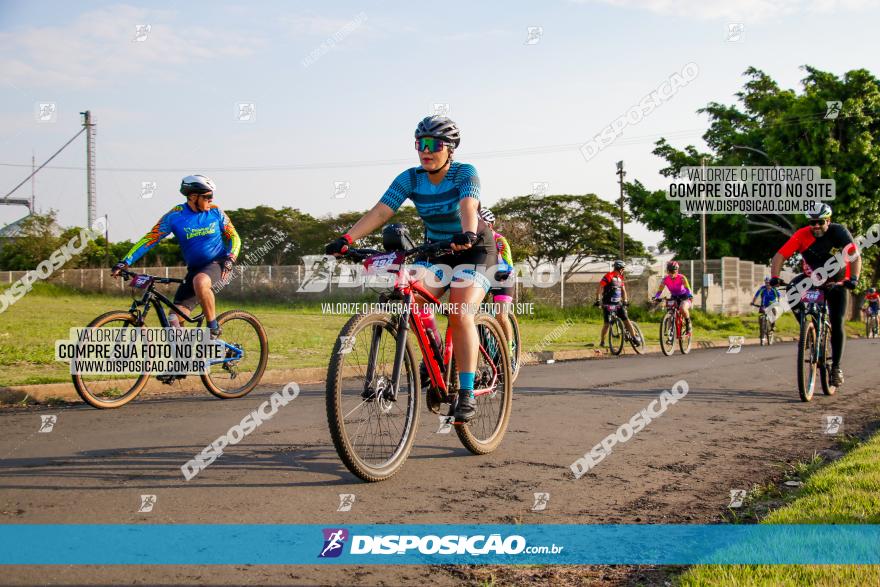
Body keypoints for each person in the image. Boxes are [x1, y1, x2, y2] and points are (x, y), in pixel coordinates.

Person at [324, 115, 496, 424]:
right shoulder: (410, 178)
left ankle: (467, 392)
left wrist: (468, 233)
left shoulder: (464, 172)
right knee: (409, 301)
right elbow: (381, 210)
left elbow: (468, 206)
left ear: (450, 148)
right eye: (420, 144)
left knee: (459, 311)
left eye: (433, 145)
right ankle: (437, 354)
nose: (425, 151)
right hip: (437, 250)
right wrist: (347, 238)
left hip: (474, 249)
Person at [112, 175, 240, 341]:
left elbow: (234, 237)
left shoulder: (216, 212)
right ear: (193, 197)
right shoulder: (174, 216)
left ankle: (213, 327)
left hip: (218, 264)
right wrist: (125, 261)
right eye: (207, 196)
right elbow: (150, 239)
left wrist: (231, 258)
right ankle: (186, 363)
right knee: (174, 320)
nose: (211, 200)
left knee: (200, 281)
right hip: (194, 271)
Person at [769, 203, 859, 386]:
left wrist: (853, 278)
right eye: (812, 222)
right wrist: (775, 277)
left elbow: (854, 255)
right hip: (812, 278)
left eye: (819, 222)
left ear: (828, 221)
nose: (816, 226)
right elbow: (779, 256)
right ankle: (808, 330)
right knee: (792, 291)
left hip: (837, 280)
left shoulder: (838, 232)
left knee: (837, 320)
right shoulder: (802, 234)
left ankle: (836, 368)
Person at [479, 207, 515, 344]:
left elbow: (507, 263)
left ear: (490, 225)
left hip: (503, 279)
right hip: (483, 279)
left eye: (482, 224)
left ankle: (509, 351)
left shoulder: (499, 240)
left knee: (501, 316)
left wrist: (500, 273)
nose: (479, 227)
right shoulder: (472, 240)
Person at [596, 260, 640, 345]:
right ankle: (602, 341)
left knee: (626, 320)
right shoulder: (608, 276)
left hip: (618, 303)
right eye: (623, 269)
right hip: (608, 303)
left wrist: (625, 301)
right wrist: (598, 300)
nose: (623, 271)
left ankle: (634, 337)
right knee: (607, 324)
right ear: (619, 269)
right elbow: (600, 288)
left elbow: (623, 291)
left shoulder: (620, 278)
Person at [652, 261, 694, 333]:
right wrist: (656, 297)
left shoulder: (682, 278)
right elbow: (660, 290)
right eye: (669, 271)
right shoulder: (665, 279)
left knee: (682, 308)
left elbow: (687, 288)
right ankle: (670, 334)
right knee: (670, 311)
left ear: (677, 271)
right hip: (674, 296)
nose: (671, 273)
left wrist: (690, 295)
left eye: (673, 271)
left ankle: (688, 322)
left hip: (684, 296)